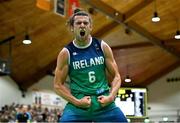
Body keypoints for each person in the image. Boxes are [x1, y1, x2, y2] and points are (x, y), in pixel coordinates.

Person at [54, 8, 127, 122]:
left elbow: (117, 76)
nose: (82, 25)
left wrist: (111, 96)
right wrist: (76, 102)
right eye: (78, 23)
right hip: (78, 106)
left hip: (104, 104)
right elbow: (58, 85)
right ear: (72, 28)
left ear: (90, 27)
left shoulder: (102, 46)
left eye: (85, 23)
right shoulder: (66, 53)